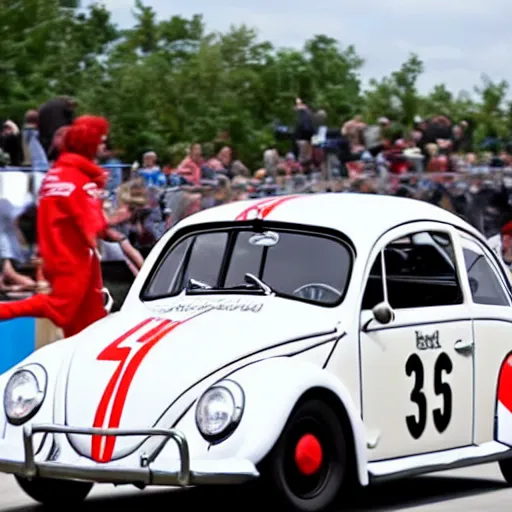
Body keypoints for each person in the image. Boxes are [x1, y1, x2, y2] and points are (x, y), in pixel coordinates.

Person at [0, 115, 111, 338]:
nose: (104, 145)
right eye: (100, 140)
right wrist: (117, 218)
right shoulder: (81, 180)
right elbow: (94, 227)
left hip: (59, 256)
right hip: (74, 258)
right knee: (62, 311)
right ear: (89, 143)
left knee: (88, 324)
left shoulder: (55, 175)